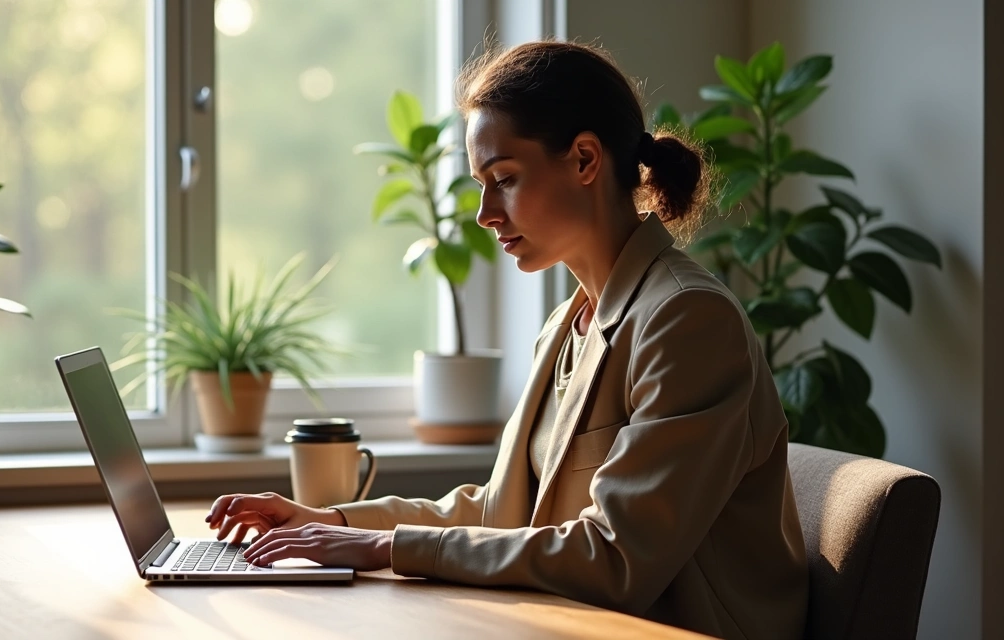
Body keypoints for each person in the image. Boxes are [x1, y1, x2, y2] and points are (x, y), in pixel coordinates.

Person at [206, 40, 808, 639]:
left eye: (505, 179)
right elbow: (501, 510)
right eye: (481, 185)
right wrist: (333, 521)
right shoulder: (568, 323)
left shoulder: (687, 319)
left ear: (584, 160)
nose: (485, 214)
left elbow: (616, 557)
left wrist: (384, 548)